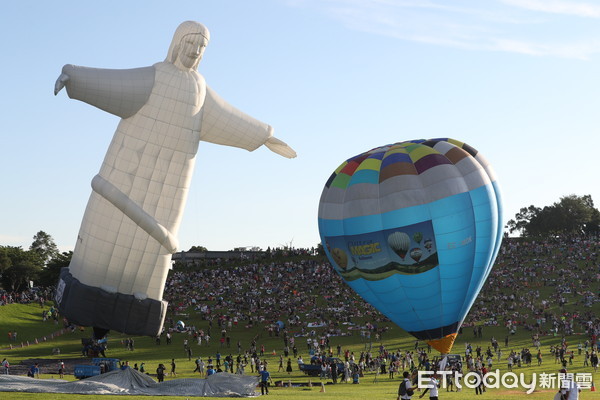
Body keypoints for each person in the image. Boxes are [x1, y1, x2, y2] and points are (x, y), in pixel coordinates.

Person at [53, 20, 296, 339]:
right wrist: (74, 77)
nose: (195, 51)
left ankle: (135, 306)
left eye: (202, 47)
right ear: (177, 44)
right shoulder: (154, 78)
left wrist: (264, 136)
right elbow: (113, 83)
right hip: (124, 177)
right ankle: (93, 312)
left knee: (151, 252)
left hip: (169, 188)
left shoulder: (199, 90)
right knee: (105, 246)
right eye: (191, 43)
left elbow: (229, 118)